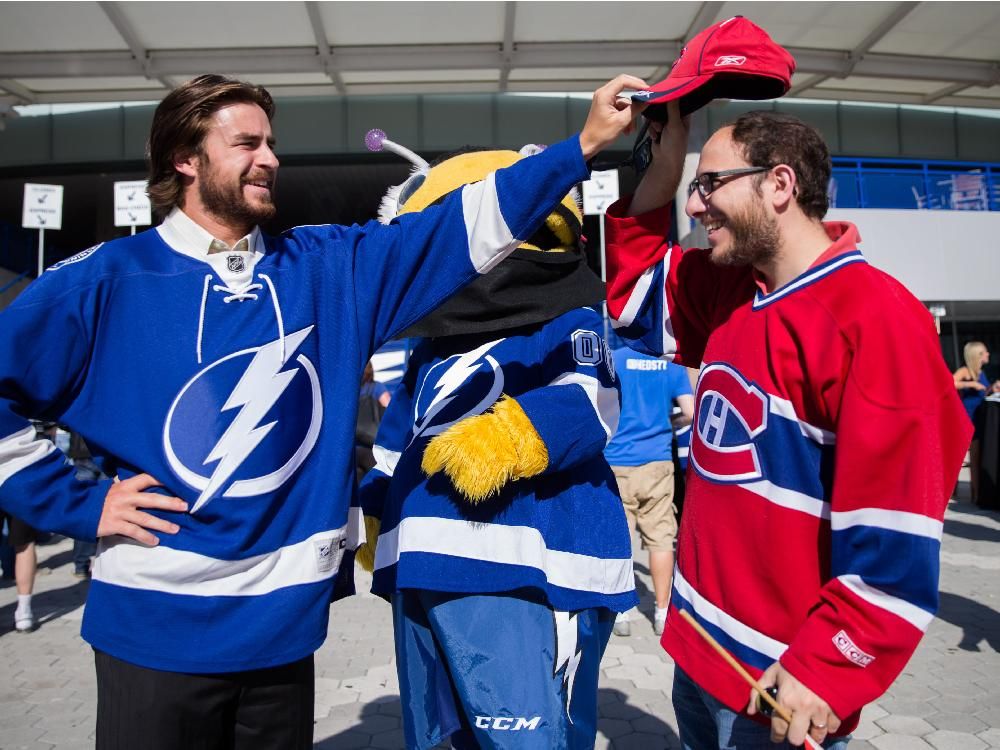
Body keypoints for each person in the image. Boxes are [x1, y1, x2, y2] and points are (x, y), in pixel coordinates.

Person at [0, 72, 645, 749]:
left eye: (271, 143)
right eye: (245, 143)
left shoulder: (327, 267)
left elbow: (457, 227)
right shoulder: (103, 279)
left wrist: (580, 146)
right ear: (183, 161)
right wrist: (78, 503)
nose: (270, 159)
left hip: (284, 637)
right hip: (153, 632)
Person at [604, 102, 971, 749]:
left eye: (709, 184)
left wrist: (828, 667)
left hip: (781, 680)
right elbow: (632, 275)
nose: (694, 207)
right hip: (700, 658)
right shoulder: (728, 293)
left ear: (779, 184)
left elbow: (898, 541)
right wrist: (670, 149)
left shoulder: (876, 316)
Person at [356, 143, 635, 749]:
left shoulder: (570, 319)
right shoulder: (430, 346)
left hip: (525, 560)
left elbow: (592, 400)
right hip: (423, 559)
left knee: (524, 734)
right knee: (434, 731)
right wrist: (378, 502)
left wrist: (509, 436)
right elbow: (398, 435)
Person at [604, 348, 693, 637]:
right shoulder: (671, 364)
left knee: (619, 539)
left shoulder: (613, 359)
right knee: (661, 539)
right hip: (656, 462)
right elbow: (690, 412)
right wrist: (671, 424)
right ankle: (662, 611)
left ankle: (621, 613)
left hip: (616, 461)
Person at [954, 341, 1000, 503]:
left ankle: (978, 492)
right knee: (971, 456)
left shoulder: (981, 372)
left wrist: (992, 388)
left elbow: (982, 392)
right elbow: (951, 382)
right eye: (985, 352)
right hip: (969, 417)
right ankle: (974, 493)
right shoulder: (966, 371)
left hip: (981, 416)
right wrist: (970, 383)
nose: (988, 355)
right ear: (978, 355)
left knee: (979, 456)